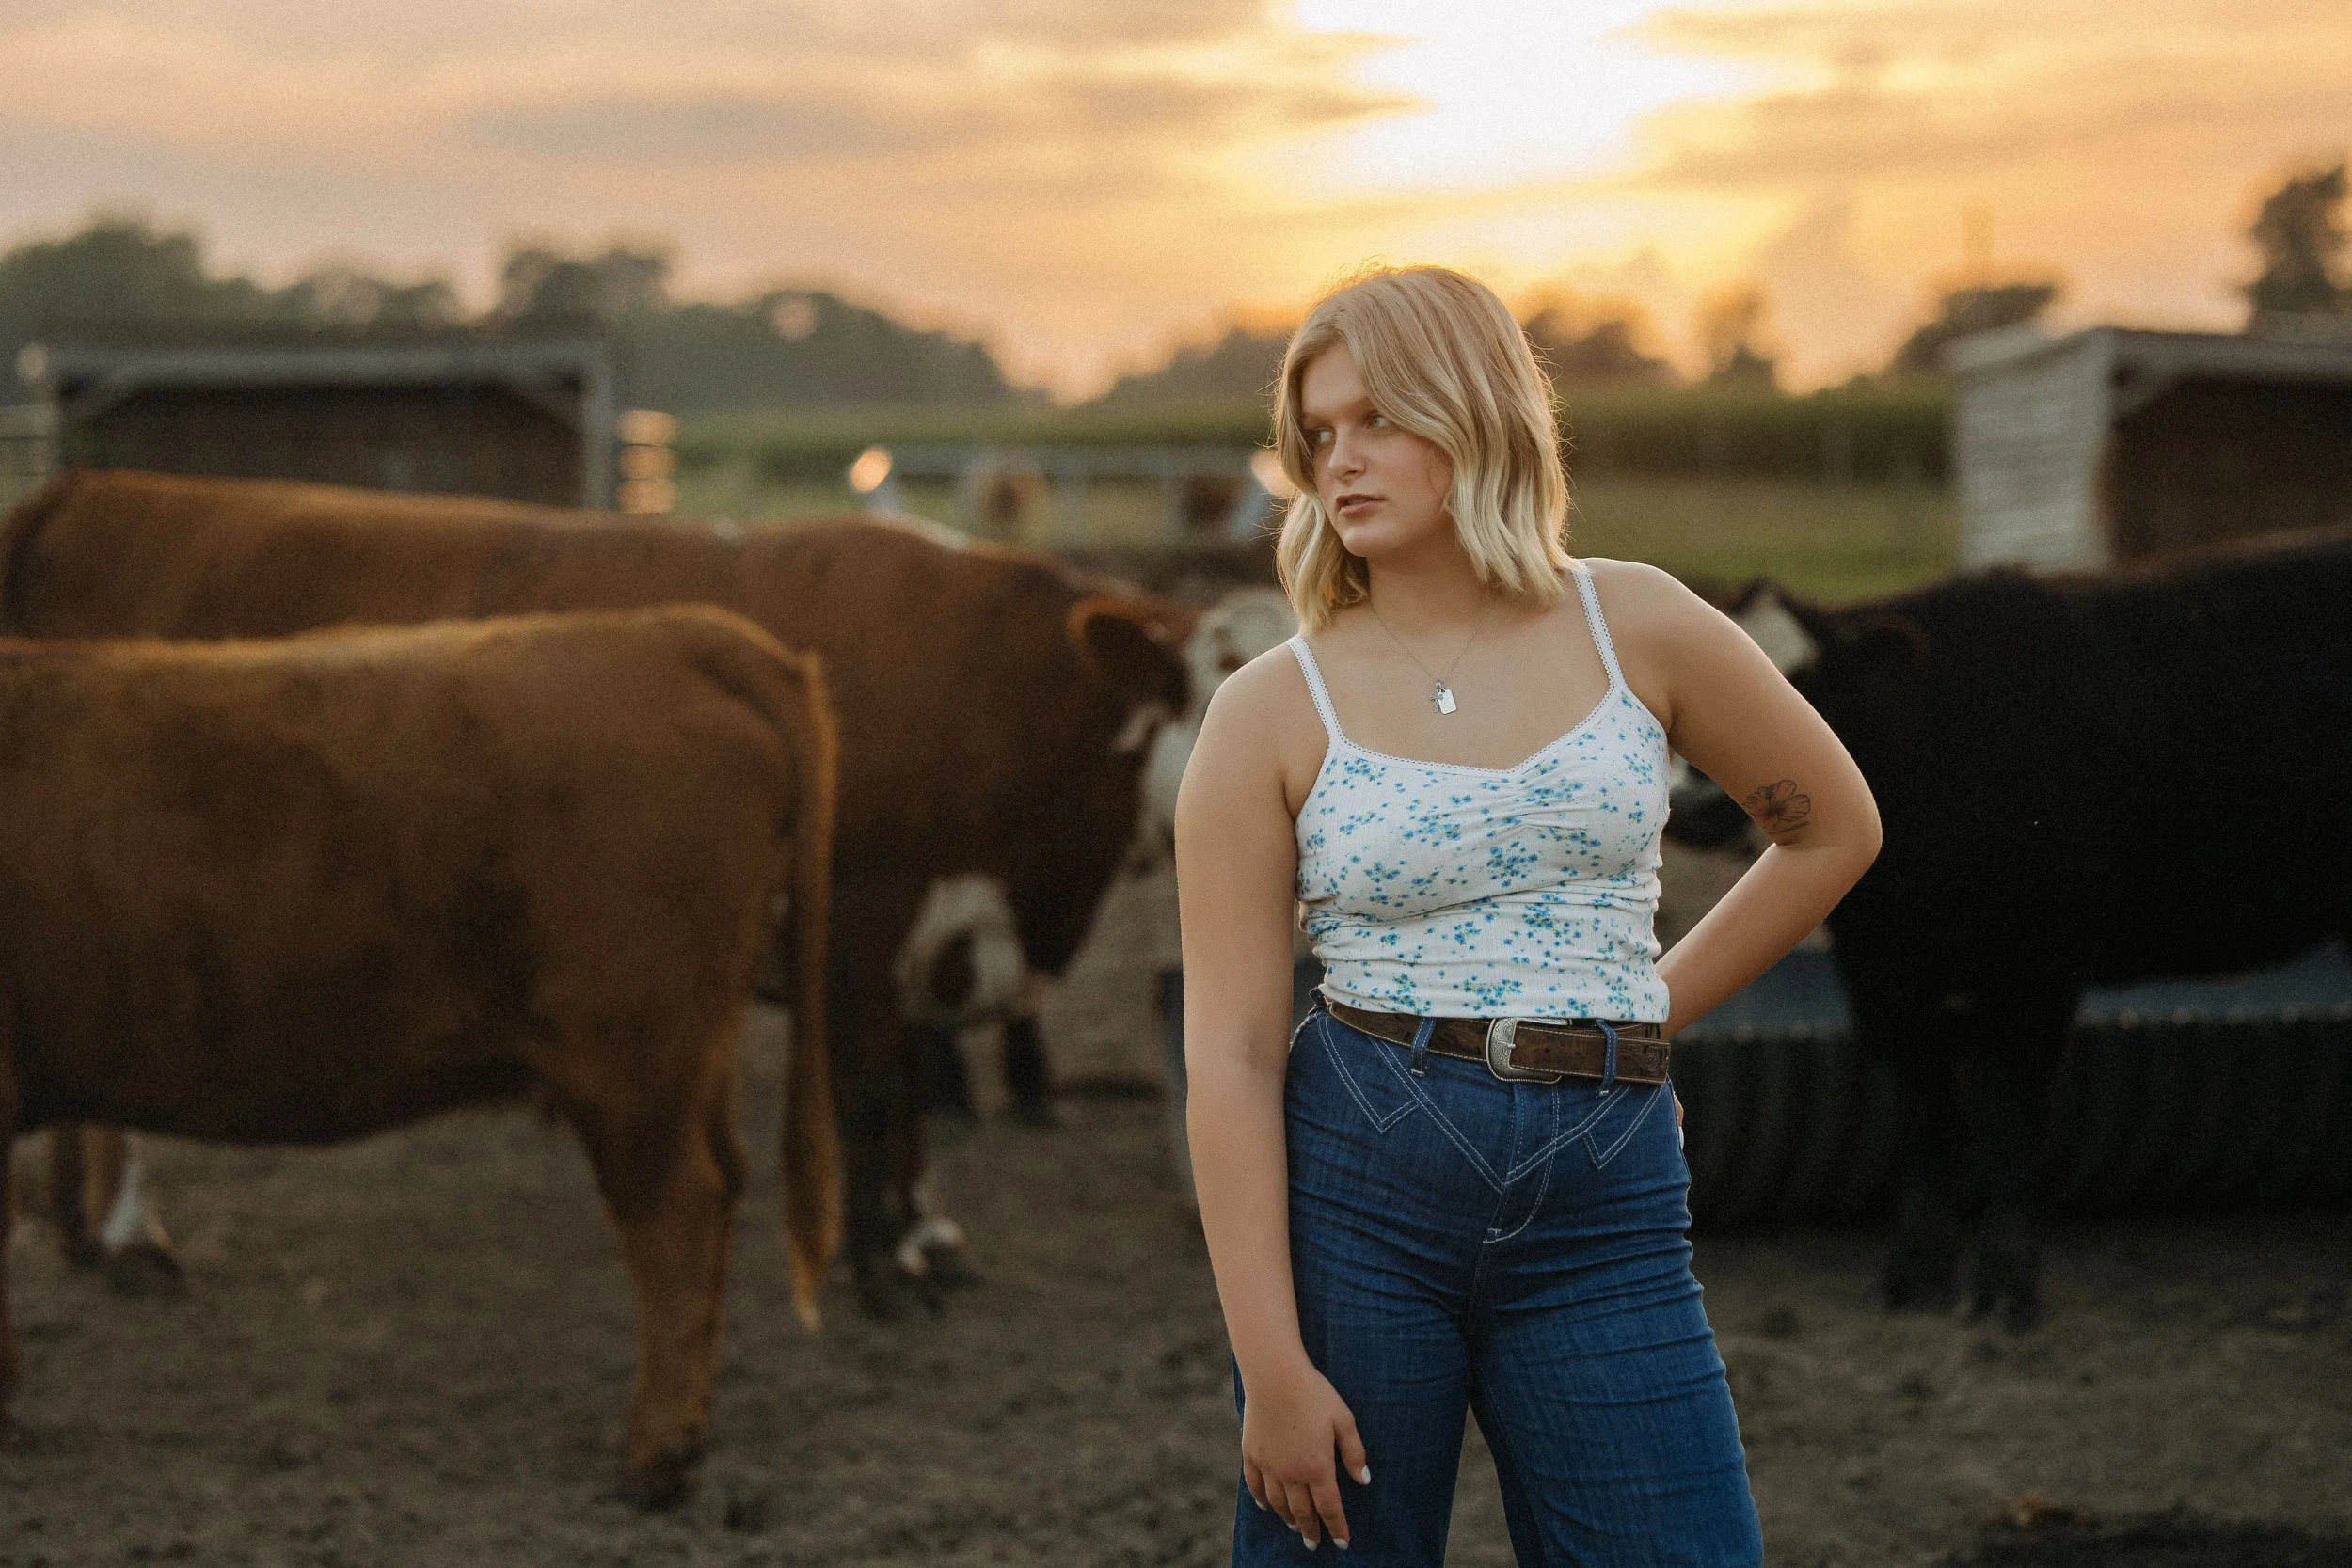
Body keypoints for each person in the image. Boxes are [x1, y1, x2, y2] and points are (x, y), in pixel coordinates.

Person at [1174, 264, 1881, 1565]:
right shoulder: (1268, 709)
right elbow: (1224, 1050)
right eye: (1317, 435)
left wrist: (1635, 1015)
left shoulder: (1641, 622)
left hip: (1607, 1199)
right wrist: (1270, 1366)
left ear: (1476, 409)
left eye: (1378, 418)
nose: (1341, 462)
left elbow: (1832, 825)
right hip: (1361, 1182)